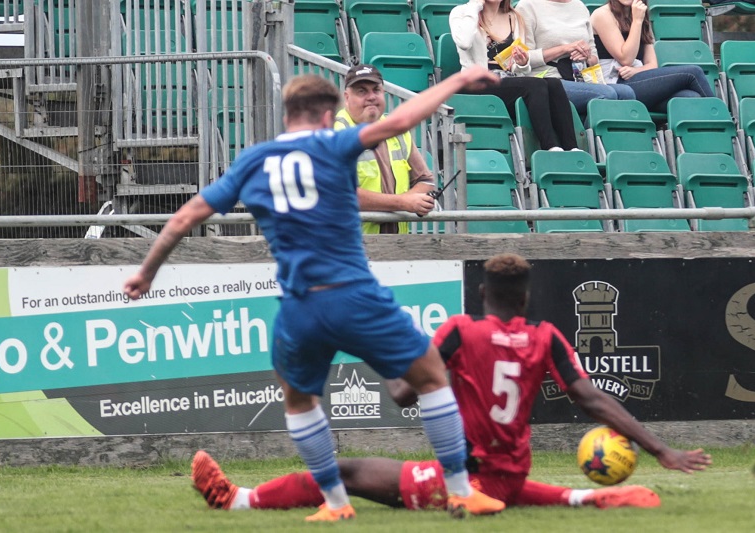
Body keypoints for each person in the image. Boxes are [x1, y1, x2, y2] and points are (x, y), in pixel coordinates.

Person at [123, 67, 506, 522]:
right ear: (330, 114)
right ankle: (461, 491)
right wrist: (457, 82)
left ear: (288, 114)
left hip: (299, 306)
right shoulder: (333, 143)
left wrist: (147, 272)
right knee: (429, 376)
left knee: (300, 401)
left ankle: (337, 504)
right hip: (353, 293)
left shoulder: (254, 159)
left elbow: (187, 216)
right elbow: (401, 121)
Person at [191, 253, 712, 513]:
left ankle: (236, 499)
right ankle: (587, 498)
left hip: (469, 478)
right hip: (507, 472)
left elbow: (399, 393)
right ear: (525, 299)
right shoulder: (546, 335)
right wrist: (660, 448)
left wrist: (382, 348)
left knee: (343, 471)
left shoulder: (460, 331)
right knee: (500, 487)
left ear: (483, 291)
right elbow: (591, 397)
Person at [450, 0, 579, 151]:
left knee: (553, 84)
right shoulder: (461, 13)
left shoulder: (513, 17)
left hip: (506, 81)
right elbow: (463, 42)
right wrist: (475, 5)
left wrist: (522, 62)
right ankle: (550, 146)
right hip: (475, 83)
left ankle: (572, 148)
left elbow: (518, 68)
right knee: (535, 84)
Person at [335, 64, 437, 234]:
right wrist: (403, 203)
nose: (371, 97)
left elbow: (426, 181)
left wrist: (415, 201)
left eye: (376, 90)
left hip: (396, 246)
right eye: (362, 91)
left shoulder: (397, 129)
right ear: (346, 97)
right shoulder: (334, 133)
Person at [591, 0, 715, 113]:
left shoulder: (639, 14)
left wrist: (636, 71)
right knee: (693, 73)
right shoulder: (603, 15)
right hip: (615, 85)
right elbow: (625, 58)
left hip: (638, 82)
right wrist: (637, 22)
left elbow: (652, 64)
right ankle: (719, 116)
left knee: (690, 97)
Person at [516, 0, 636, 115]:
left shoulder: (579, 6)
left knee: (626, 93)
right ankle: (585, 134)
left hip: (581, 78)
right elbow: (523, 59)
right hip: (548, 79)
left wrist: (586, 56)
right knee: (607, 94)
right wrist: (564, 49)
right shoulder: (527, 6)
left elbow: (594, 58)